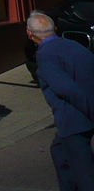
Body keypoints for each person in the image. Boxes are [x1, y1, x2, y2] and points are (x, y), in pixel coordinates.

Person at [27, 11, 94, 191]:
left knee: (84, 175)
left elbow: (67, 90)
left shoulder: (46, 55)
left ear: (29, 33)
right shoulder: (74, 45)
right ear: (55, 29)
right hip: (79, 117)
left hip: (75, 119)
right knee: (59, 152)